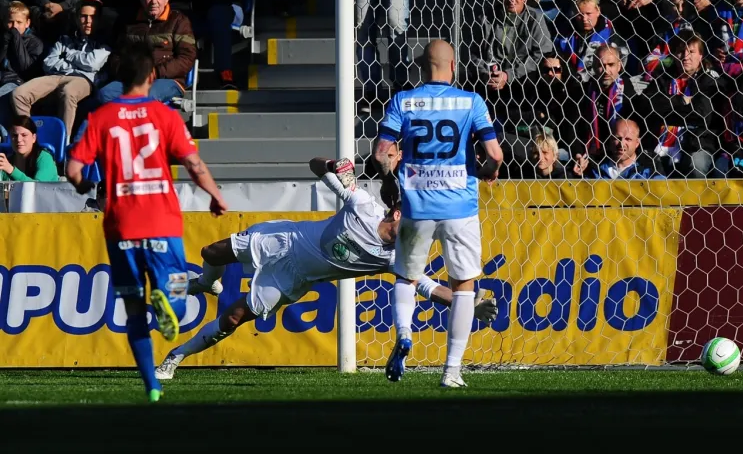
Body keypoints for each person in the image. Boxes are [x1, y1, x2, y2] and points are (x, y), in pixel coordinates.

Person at [154, 157, 500, 380]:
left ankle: (174, 357)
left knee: (232, 318)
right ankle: (205, 282)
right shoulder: (362, 204)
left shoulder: (396, 257)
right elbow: (316, 167)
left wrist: (463, 301)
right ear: (397, 214)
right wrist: (333, 164)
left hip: (292, 277)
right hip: (284, 239)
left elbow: (427, 287)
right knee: (210, 251)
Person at [65, 42, 229, 403]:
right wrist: (215, 195)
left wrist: (83, 185)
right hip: (161, 221)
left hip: (120, 225)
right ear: (152, 76)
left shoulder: (101, 117)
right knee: (179, 302)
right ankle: (168, 303)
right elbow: (193, 164)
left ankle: (152, 386)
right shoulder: (165, 115)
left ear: (120, 79)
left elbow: (74, 168)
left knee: (134, 310)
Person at [373, 39, 503, 388]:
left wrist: (389, 179)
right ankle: (452, 371)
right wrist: (487, 169)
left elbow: (382, 152)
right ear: (453, 67)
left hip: (416, 206)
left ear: (421, 68)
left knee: (405, 276)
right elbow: (495, 154)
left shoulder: (403, 101)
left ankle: (404, 335)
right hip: (460, 206)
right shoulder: (471, 101)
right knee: (463, 287)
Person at [0, 115, 59, 182]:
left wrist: (12, 170)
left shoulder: (44, 158)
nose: (19, 139)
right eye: (14, 135)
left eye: (24, 135)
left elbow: (39, 187)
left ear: (34, 138)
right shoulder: (8, 160)